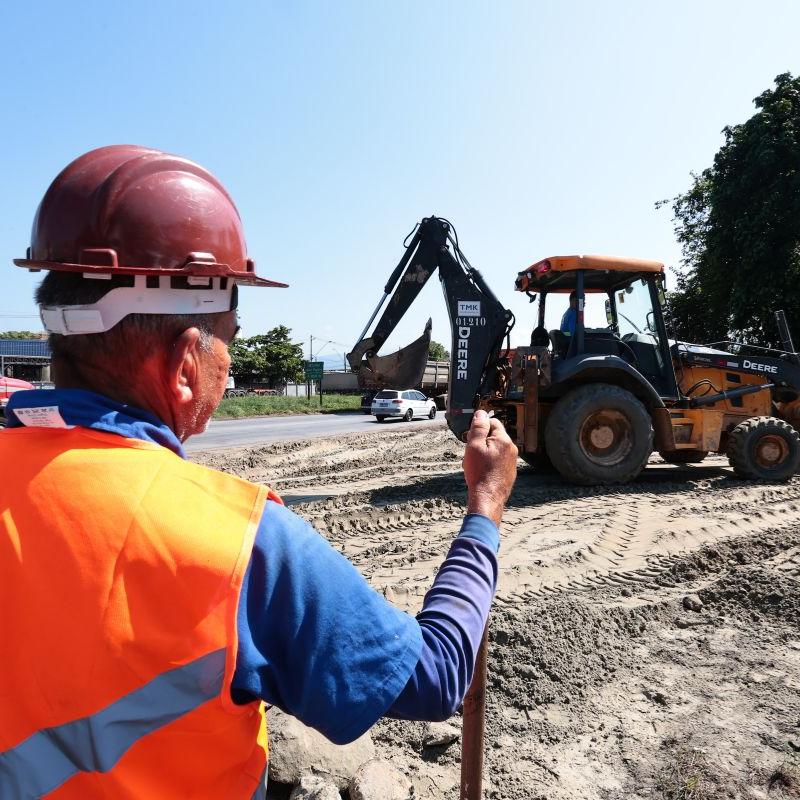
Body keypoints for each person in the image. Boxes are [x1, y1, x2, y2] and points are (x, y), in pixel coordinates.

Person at [0, 145, 518, 799]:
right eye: (232, 338)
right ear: (188, 364)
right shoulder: (238, 545)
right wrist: (486, 505)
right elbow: (438, 674)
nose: (232, 366)